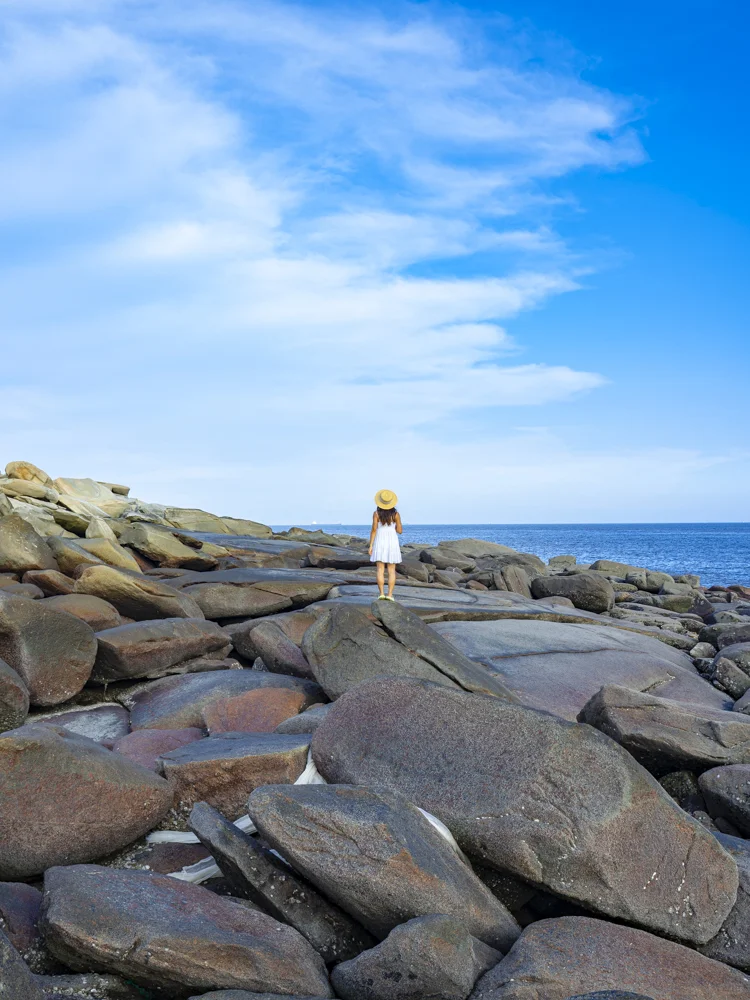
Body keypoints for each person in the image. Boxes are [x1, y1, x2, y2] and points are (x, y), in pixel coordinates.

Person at [369, 489, 403, 600]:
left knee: (380, 570)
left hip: (380, 541)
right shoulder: (396, 514)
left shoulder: (376, 514)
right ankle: (390, 595)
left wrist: (370, 545)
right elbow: (399, 531)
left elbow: (374, 530)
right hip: (392, 541)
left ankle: (381, 594)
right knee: (391, 570)